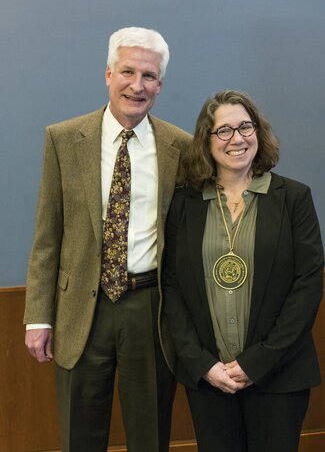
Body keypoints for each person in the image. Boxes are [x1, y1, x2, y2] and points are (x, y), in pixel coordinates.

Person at [24, 26, 192, 452]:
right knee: (79, 432)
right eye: (127, 72)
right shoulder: (63, 139)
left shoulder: (181, 147)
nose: (137, 85)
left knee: (150, 432)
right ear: (107, 74)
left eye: (149, 76)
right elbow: (47, 236)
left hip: (150, 308)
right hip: (81, 307)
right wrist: (38, 317)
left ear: (160, 84)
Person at [162, 90, 324, 452]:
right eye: (224, 130)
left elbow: (307, 286)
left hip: (279, 375)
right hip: (210, 379)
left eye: (245, 127)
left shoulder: (293, 198)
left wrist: (257, 362)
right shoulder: (184, 204)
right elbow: (171, 287)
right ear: (207, 140)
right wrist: (203, 364)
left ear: (258, 132)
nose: (237, 138)